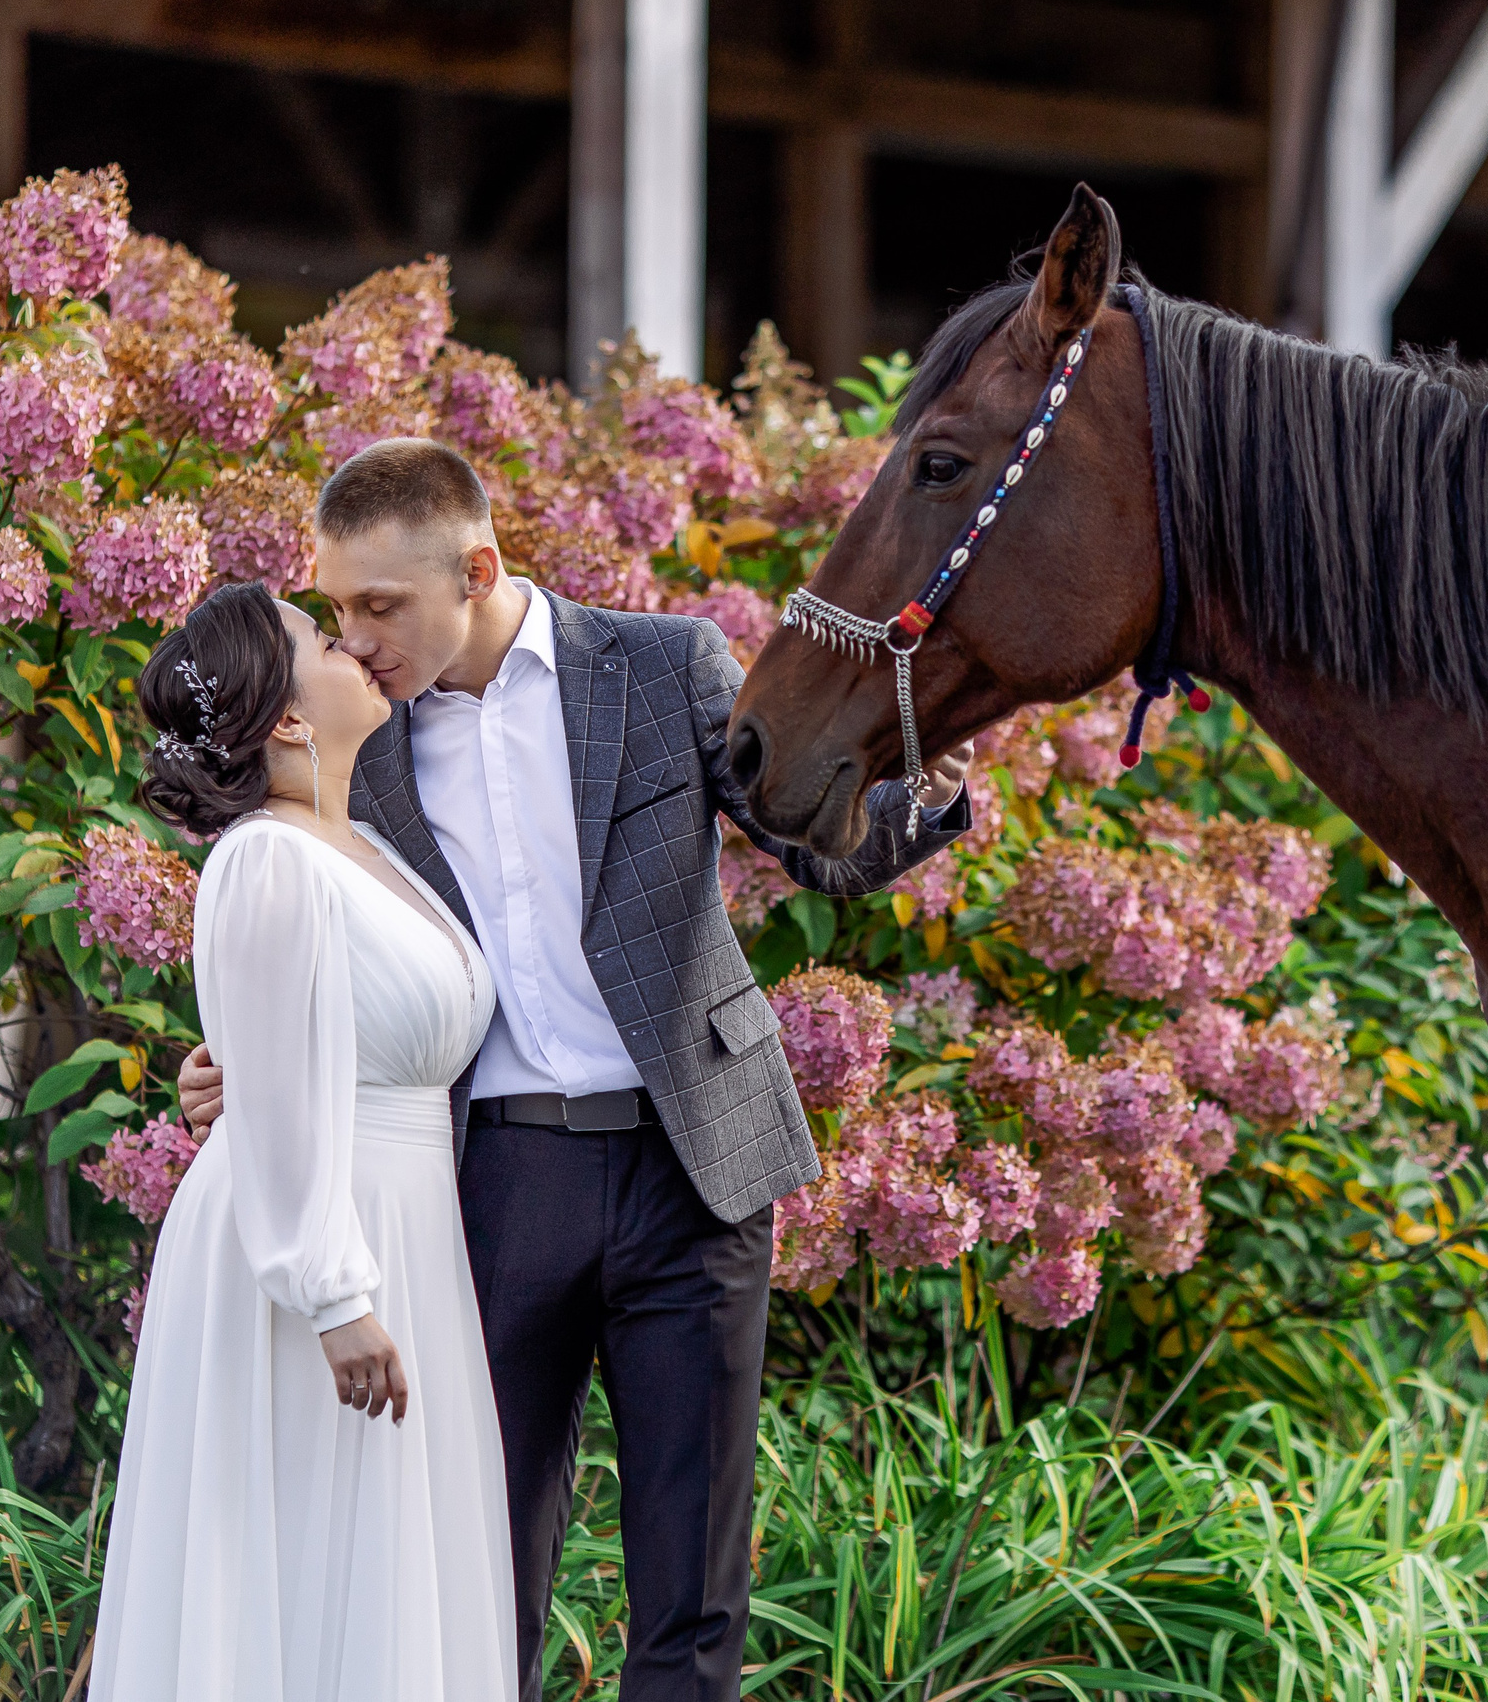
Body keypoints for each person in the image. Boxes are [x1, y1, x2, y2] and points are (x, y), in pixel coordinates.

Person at [177, 437, 969, 1699]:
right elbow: (313, 937)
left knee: (692, 1590)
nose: (356, 635)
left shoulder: (663, 666)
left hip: (692, 1163)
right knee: (478, 1572)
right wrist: (239, 1058)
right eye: (336, 609)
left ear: (476, 567)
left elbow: (814, 847)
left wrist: (923, 774)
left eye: (379, 605)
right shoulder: (358, 744)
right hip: (489, 1183)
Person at [90, 582, 514, 1701]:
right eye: (325, 640)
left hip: (404, 1228)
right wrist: (333, 1297)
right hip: (316, 1254)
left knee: (383, 1565)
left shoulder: (367, 844)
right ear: (284, 718)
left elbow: (311, 1040)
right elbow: (276, 1093)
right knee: (300, 1561)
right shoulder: (267, 857)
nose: (355, 648)